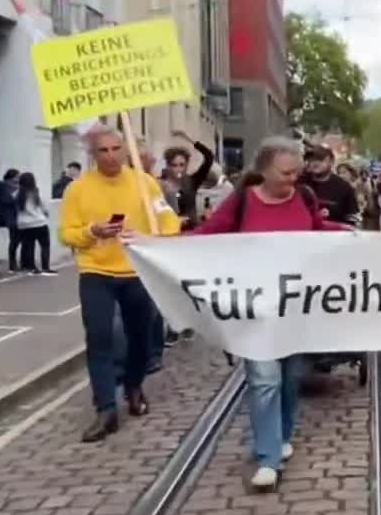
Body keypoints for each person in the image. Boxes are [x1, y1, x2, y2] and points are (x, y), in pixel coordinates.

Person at [194, 136, 350, 488]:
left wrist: (348, 233)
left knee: (291, 377)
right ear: (263, 169)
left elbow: (317, 231)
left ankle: (280, 435)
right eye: (284, 173)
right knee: (265, 379)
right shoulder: (242, 202)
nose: (292, 179)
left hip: (296, 307)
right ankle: (268, 458)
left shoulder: (305, 197)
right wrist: (156, 242)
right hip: (256, 310)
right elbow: (206, 234)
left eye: (296, 172)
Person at [59, 125, 181, 443]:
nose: (111, 156)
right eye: (103, 151)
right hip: (96, 271)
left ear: (126, 151)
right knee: (99, 337)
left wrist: (155, 235)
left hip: (136, 271)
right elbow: (66, 233)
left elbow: (167, 218)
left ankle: (134, 385)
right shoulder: (79, 189)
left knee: (139, 337)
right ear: (92, 155)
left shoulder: (145, 184)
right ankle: (106, 409)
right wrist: (91, 232)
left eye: (116, 149)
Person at [161, 130, 216, 229]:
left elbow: (209, 156)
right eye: (174, 165)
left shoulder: (192, 181)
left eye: (182, 165)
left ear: (186, 165)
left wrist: (188, 138)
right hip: (170, 231)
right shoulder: (161, 183)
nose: (178, 169)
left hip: (190, 231)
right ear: (168, 166)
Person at [14, 172, 55, 275]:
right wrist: (46, 214)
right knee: (45, 245)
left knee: (29, 246)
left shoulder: (16, 194)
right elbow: (43, 206)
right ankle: (45, 267)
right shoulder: (36, 193)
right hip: (39, 222)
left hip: (24, 224)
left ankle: (32, 267)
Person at [0, 169, 21, 272]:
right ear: (13, 177)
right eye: (18, 176)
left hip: (9, 218)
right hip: (13, 218)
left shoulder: (1, 188)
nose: (19, 179)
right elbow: (11, 200)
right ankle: (13, 265)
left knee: (14, 241)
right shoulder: (10, 188)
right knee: (15, 241)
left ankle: (13, 264)